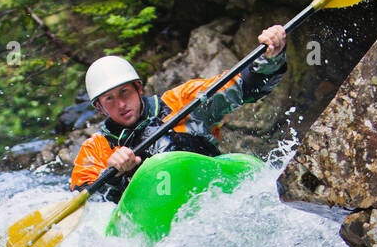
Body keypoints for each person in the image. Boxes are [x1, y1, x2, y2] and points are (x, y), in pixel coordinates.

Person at [71, 26, 287, 203]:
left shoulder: (183, 101)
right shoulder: (96, 149)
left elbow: (242, 87)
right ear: (99, 107)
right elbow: (87, 206)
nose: (120, 104)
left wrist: (270, 58)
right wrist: (113, 177)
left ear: (138, 88)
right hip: (156, 217)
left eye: (124, 92)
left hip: (214, 200)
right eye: (109, 99)